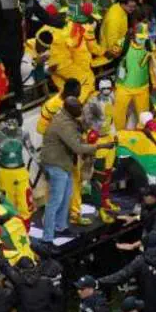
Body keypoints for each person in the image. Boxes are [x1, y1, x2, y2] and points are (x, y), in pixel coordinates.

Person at [40, 95, 97, 245]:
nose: (80, 109)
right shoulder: (62, 123)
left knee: (66, 197)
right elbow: (77, 148)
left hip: (65, 162)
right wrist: (98, 146)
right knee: (55, 201)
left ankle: (61, 227)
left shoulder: (69, 118)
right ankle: (47, 238)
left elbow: (81, 129)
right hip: (55, 164)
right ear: (69, 108)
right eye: (77, 107)